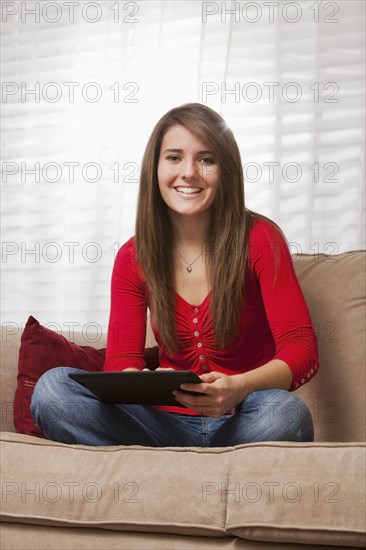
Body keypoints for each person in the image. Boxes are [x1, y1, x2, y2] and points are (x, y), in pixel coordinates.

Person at [31, 103, 319, 447]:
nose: (190, 172)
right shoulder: (132, 257)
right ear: (154, 168)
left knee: (288, 413)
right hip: (161, 423)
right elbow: (122, 362)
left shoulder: (260, 239)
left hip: (244, 417)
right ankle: (180, 461)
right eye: (174, 157)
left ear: (225, 170)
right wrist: (147, 385)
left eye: (206, 159)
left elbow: (302, 350)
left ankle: (164, 465)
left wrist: (239, 387)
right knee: (52, 390)